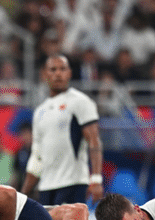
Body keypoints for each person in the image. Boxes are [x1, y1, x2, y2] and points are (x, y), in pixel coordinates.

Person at [21, 55, 104, 205]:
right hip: (45, 186)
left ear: (70, 73)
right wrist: (24, 194)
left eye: (62, 69)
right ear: (44, 74)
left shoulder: (80, 102)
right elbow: (37, 156)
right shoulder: (40, 111)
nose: (58, 73)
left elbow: (94, 140)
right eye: (53, 69)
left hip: (73, 183)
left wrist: (96, 179)